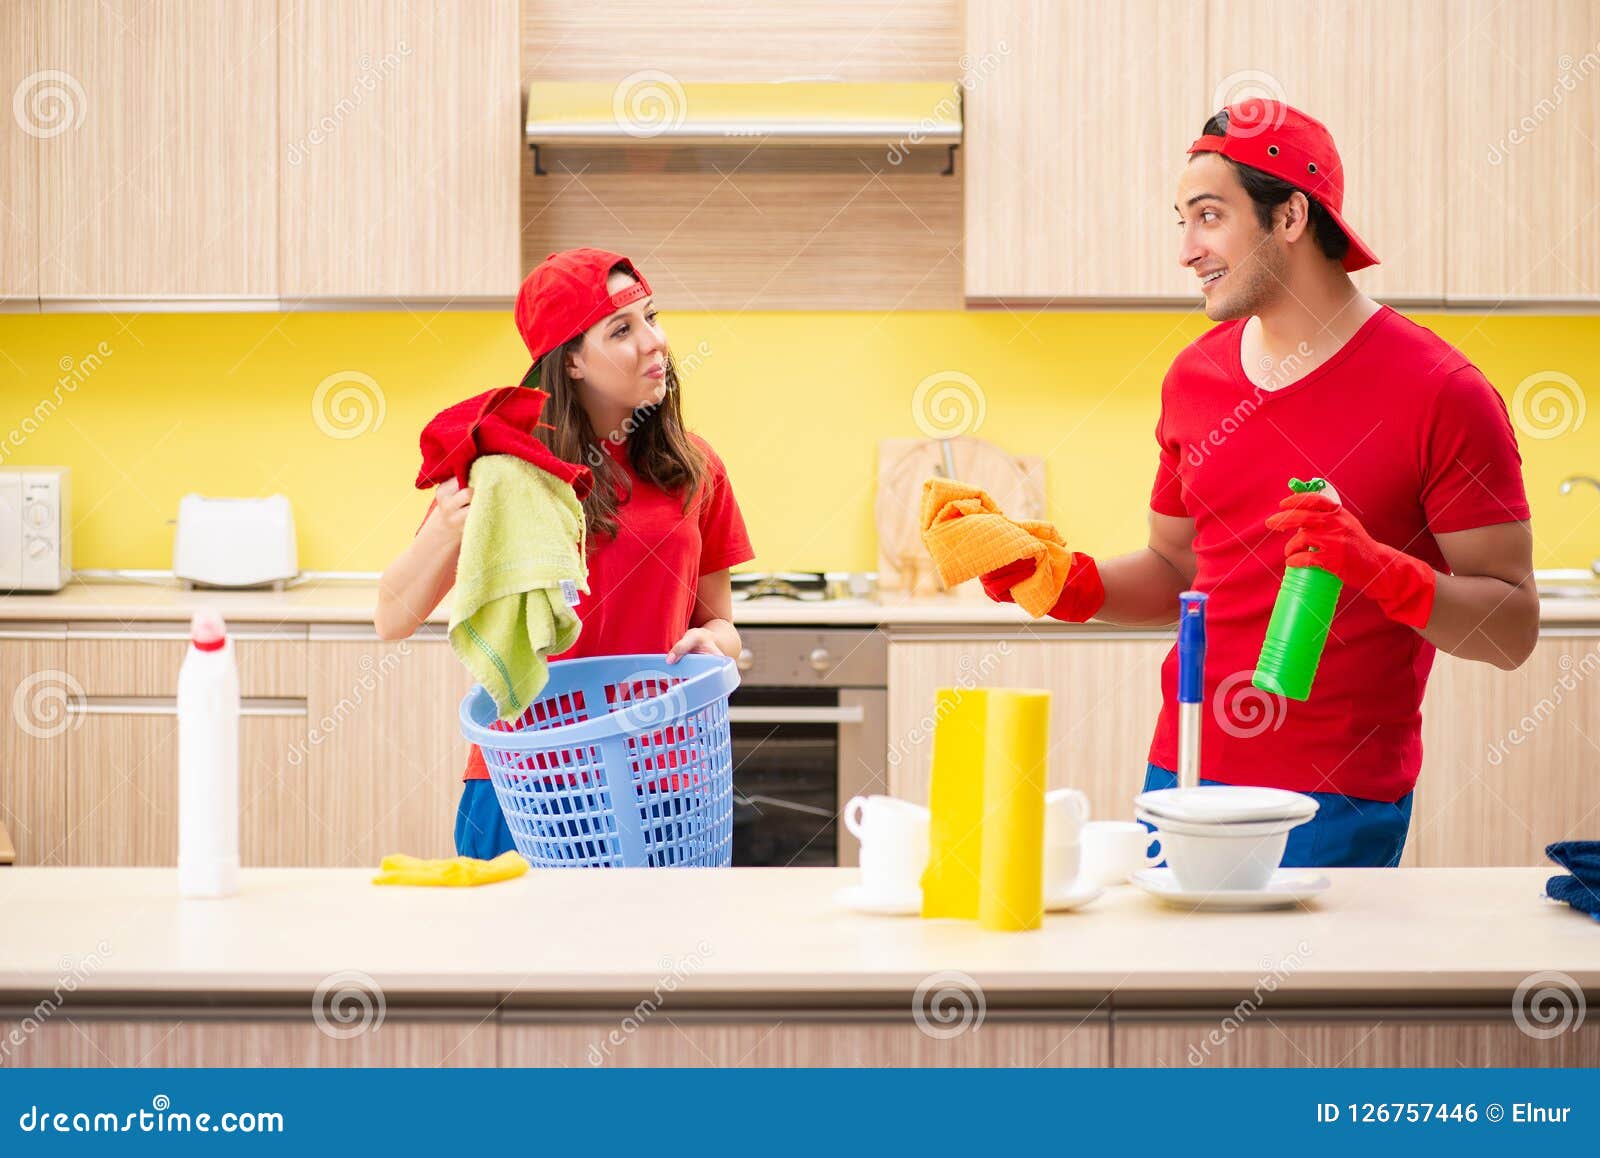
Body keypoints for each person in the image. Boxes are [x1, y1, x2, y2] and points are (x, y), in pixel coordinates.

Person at [982, 103, 1537, 867]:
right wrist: (1063, 583)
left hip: (1336, 798)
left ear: (1291, 216)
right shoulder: (1195, 376)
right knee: (1178, 989)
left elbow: (1512, 630)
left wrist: (1378, 570)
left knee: (1305, 991)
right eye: (1181, 220)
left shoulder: (1442, 391)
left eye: (1209, 216)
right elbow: (1178, 569)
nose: (1187, 250)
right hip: (1184, 773)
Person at [375, 248, 754, 858]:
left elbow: (720, 623)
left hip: (663, 784)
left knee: (655, 953)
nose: (656, 342)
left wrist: (720, 646)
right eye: (623, 329)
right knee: (519, 955)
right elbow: (391, 618)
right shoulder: (509, 470)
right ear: (571, 359)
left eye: (652, 318)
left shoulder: (693, 466)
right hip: (528, 784)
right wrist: (447, 526)